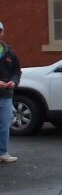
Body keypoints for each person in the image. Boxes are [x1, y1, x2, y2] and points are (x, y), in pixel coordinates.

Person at [0, 21, 22, 162]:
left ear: (2, 32)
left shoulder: (10, 53)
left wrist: (13, 81)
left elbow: (17, 71)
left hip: (6, 95)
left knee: (4, 124)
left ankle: (3, 153)